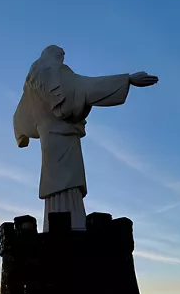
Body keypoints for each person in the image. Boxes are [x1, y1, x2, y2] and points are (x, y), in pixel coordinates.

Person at [13, 45, 158, 231]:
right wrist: (127, 79)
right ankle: (74, 226)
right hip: (65, 137)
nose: (62, 58)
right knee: (68, 182)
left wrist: (22, 136)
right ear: (54, 55)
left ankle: (55, 226)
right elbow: (87, 86)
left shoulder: (32, 82)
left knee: (56, 180)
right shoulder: (56, 72)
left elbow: (20, 115)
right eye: (60, 55)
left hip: (48, 139)